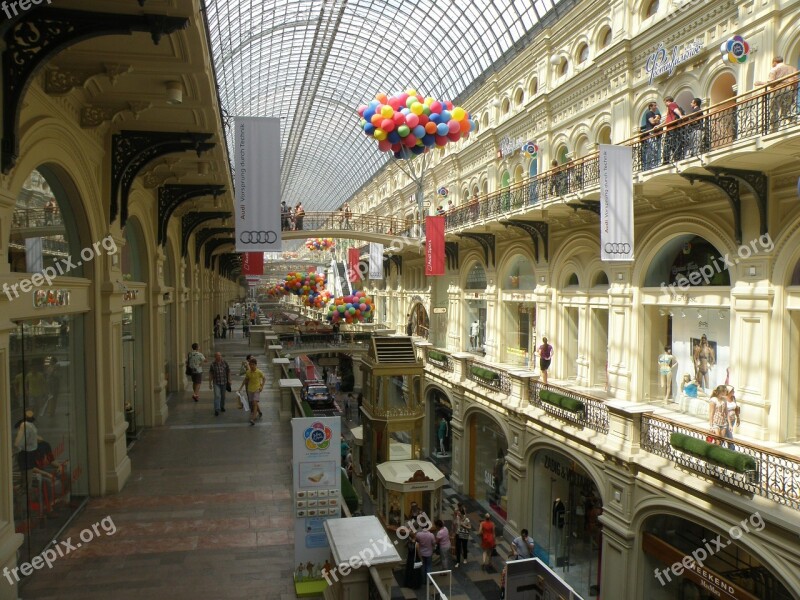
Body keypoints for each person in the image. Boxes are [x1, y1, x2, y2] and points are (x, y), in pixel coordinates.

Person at [756, 55, 799, 131]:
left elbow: (771, 83)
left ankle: (774, 129)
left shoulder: (775, 69)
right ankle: (796, 120)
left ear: (775, 62)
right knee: (787, 111)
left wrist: (760, 83)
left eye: (772, 63)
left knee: (774, 110)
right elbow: (796, 82)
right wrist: (794, 93)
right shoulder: (793, 69)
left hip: (779, 90)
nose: (772, 65)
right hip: (790, 90)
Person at [239, 358, 264, 425]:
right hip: (250, 389)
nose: (252, 366)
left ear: (256, 365)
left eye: (253, 365)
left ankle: (253, 418)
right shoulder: (248, 372)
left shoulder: (259, 372)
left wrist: (262, 387)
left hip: (257, 389)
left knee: (254, 403)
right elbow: (245, 380)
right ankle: (259, 412)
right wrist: (240, 388)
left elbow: (264, 378)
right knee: (254, 402)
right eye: (250, 365)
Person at [661, 95, 684, 164]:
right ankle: (674, 158)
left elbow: (676, 110)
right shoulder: (670, 108)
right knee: (671, 144)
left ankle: (667, 160)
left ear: (667, 101)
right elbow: (666, 120)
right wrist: (659, 125)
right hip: (670, 128)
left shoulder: (671, 104)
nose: (665, 104)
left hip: (672, 128)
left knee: (669, 144)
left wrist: (680, 116)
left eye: (665, 102)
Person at [641, 101, 662, 169]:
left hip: (654, 133)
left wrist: (657, 119)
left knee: (654, 148)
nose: (656, 107)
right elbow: (652, 122)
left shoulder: (653, 114)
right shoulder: (649, 113)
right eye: (654, 106)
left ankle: (653, 163)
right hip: (650, 132)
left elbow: (657, 122)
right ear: (651, 107)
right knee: (652, 148)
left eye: (656, 105)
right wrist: (657, 118)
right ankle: (651, 165)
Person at [208, 352, 230, 416]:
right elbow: (211, 373)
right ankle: (217, 409)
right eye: (217, 356)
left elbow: (228, 371)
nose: (219, 357)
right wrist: (209, 383)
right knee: (217, 396)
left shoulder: (224, 363)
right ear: (215, 357)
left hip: (224, 382)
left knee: (223, 396)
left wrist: (229, 379)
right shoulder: (212, 364)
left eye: (220, 355)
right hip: (216, 382)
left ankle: (222, 406)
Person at [724, 385, 740, 449]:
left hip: (733, 419)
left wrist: (738, 418)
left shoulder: (733, 398)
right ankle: (732, 449)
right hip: (726, 420)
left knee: (726, 435)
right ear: (728, 391)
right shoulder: (724, 399)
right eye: (732, 390)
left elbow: (736, 408)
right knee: (729, 435)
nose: (734, 392)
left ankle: (719, 446)